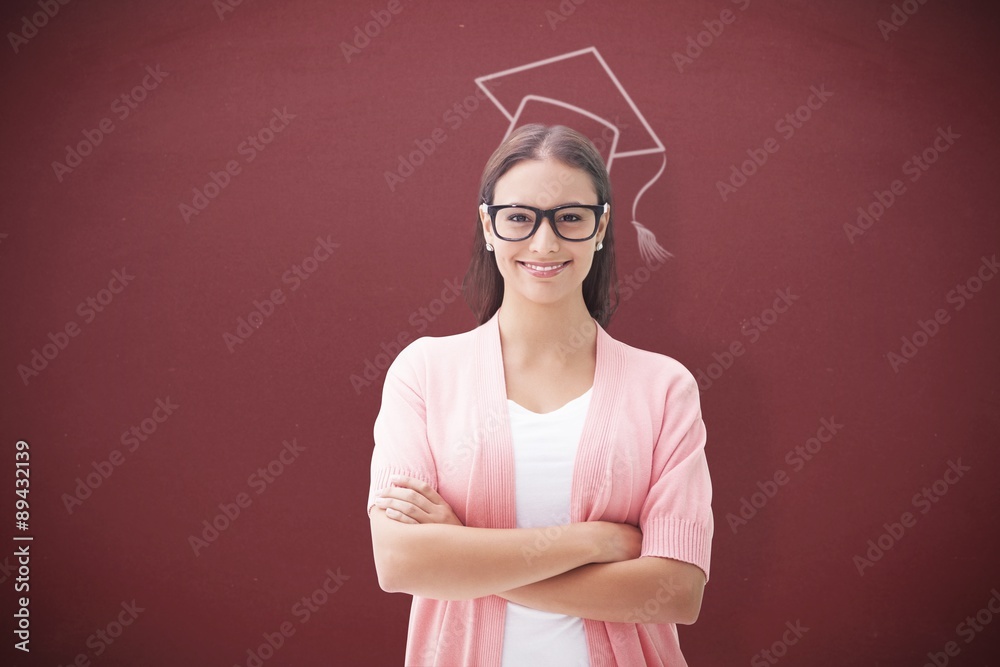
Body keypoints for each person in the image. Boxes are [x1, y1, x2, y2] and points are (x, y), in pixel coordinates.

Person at [367, 124, 713, 666]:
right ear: (489, 225)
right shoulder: (424, 373)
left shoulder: (665, 388)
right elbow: (400, 561)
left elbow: (677, 592)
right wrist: (596, 542)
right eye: (520, 218)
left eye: (570, 218)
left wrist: (462, 556)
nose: (544, 242)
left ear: (600, 228)